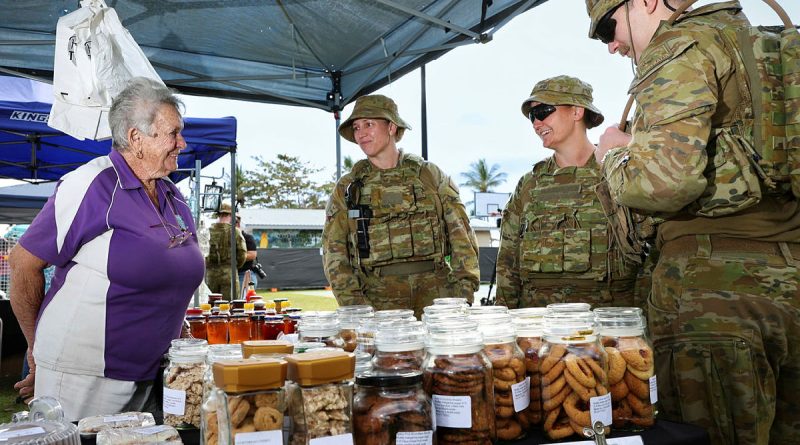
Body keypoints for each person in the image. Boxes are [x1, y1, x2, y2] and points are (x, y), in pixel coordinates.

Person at [584, 1, 800, 443]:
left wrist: (614, 153)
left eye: (608, 27)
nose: (611, 46)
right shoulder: (767, 45)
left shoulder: (680, 44)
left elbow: (662, 183)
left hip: (715, 298)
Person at [9, 77, 205, 421]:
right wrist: (35, 347)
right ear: (136, 138)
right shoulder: (92, 184)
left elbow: (169, 271)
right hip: (84, 377)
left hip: (152, 372)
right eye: (173, 133)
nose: (182, 143)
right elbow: (23, 263)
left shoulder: (173, 195)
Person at [322, 94, 480, 316]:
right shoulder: (349, 187)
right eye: (356, 127)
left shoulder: (429, 176)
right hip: (378, 303)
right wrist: (355, 307)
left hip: (437, 299)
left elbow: (461, 237)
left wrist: (463, 294)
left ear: (391, 127)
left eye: (369, 124)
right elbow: (334, 252)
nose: (361, 133)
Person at [495, 75, 640, 309]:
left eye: (543, 111)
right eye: (532, 116)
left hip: (607, 325)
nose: (536, 123)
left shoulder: (616, 172)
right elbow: (507, 264)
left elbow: (647, 255)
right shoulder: (529, 185)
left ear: (576, 112)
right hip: (539, 329)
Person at [205, 202, 246, 300]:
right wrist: (234, 266)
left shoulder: (207, 231)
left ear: (218, 214)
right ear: (231, 215)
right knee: (230, 306)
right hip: (229, 273)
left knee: (212, 306)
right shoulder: (235, 231)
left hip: (211, 274)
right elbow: (242, 254)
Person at [236, 216, 259, 289]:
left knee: (244, 299)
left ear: (238, 224)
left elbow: (252, 255)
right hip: (229, 274)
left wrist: (233, 257)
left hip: (244, 274)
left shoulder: (247, 237)